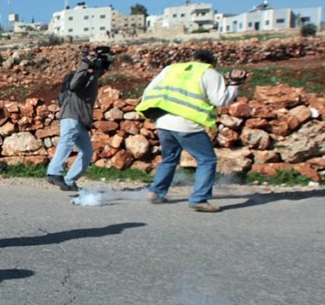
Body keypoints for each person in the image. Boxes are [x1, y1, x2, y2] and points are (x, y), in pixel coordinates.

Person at [136, 50, 248, 212]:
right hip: (187, 124)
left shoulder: (171, 69)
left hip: (164, 121)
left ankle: (156, 192)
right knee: (207, 160)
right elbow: (220, 100)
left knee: (169, 158)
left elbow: (149, 91)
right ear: (211, 62)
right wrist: (234, 84)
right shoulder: (210, 73)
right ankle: (199, 198)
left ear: (193, 59)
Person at [46, 48, 110, 192]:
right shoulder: (83, 75)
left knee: (87, 152)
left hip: (81, 120)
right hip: (71, 116)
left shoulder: (93, 78)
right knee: (66, 142)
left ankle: (69, 181)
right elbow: (74, 86)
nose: (104, 70)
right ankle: (53, 173)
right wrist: (86, 62)